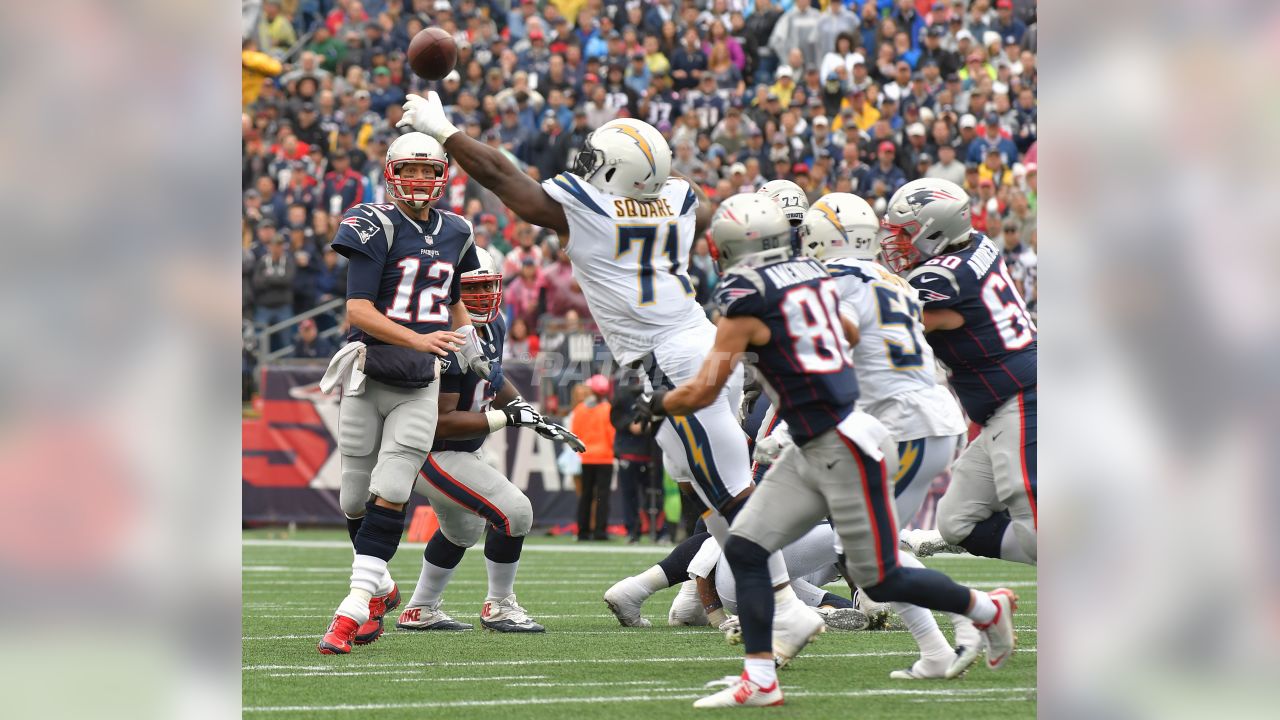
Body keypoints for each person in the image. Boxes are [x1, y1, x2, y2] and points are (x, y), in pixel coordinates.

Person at [399, 95, 813, 649]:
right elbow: (676, 186)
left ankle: (786, 605)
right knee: (700, 483)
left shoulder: (592, 209)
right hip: (684, 346)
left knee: (731, 489)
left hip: (672, 358)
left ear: (617, 172)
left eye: (599, 161)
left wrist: (442, 130)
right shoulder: (679, 196)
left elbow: (503, 177)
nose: (587, 167)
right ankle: (737, 595)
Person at [634, 193, 1018, 707]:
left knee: (877, 572)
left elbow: (702, 391)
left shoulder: (755, 291)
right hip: (835, 435)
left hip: (850, 439)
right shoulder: (822, 280)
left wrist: (656, 401)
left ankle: (980, 611)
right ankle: (761, 680)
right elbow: (851, 332)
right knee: (747, 547)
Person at [315, 132, 493, 655]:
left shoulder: (458, 229)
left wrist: (469, 342)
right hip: (370, 374)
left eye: (428, 170)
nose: (419, 181)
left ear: (442, 176)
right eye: (409, 170)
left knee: (391, 486)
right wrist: (421, 337)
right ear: (392, 172)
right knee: (353, 499)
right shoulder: (373, 222)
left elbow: (455, 297)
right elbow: (359, 311)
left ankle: (352, 609)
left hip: (420, 383)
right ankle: (384, 588)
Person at [795, 193, 980, 680]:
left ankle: (976, 613)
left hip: (906, 425)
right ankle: (939, 651)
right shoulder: (889, 277)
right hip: (926, 419)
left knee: (872, 554)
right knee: (875, 552)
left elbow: (837, 351)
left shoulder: (834, 282)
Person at [397, 250, 582, 634]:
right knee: (516, 511)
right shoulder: (442, 333)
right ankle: (499, 605)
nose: (481, 296)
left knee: (461, 532)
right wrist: (504, 417)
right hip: (431, 451)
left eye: (486, 286)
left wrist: (525, 410)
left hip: (464, 449)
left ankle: (420, 609)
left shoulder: (493, 326)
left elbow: (494, 380)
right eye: (470, 288)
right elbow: (439, 424)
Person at [880, 178, 1037, 566]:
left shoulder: (937, 279)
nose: (896, 243)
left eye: (905, 234)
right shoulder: (977, 244)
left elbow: (893, 330)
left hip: (1022, 400)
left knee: (1036, 531)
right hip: (1008, 404)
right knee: (958, 523)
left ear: (935, 231)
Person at [571, 374, 616, 541]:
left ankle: (583, 531)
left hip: (586, 457)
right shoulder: (608, 409)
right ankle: (600, 531)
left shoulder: (580, 409)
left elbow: (575, 432)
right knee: (602, 496)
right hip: (605, 458)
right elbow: (612, 434)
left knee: (585, 495)